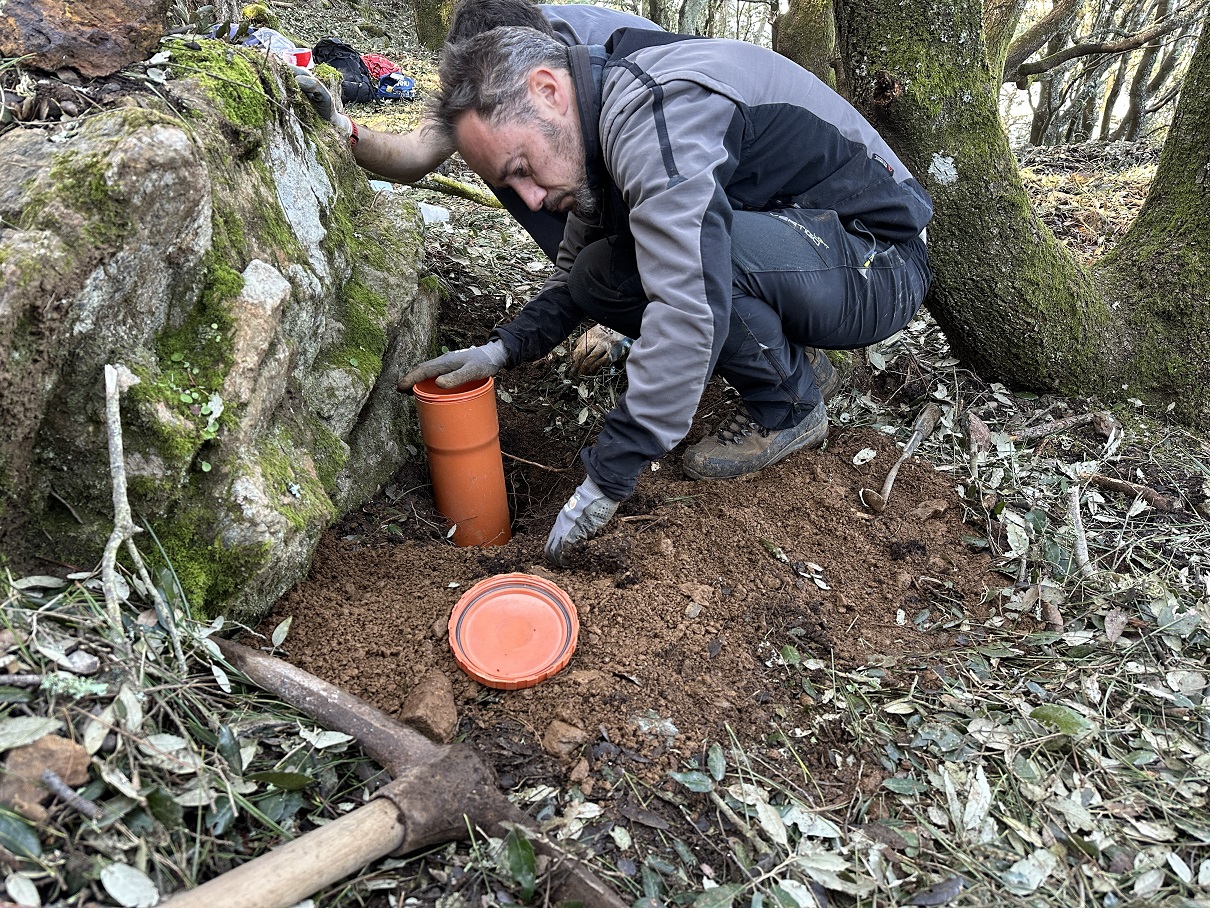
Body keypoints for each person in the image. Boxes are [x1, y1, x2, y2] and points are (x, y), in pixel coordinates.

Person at [399, 26, 934, 565]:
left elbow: (688, 305)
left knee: (704, 263)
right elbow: (572, 280)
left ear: (547, 90)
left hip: (881, 257)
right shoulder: (598, 122)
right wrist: (501, 350)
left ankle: (790, 407)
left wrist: (605, 480)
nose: (531, 198)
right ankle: (793, 365)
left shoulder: (654, 114)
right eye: (509, 186)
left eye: (520, 169)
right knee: (599, 273)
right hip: (810, 245)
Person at [292, 1, 660, 262]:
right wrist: (343, 127)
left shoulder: (610, 64)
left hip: (667, 167)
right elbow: (415, 154)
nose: (532, 200)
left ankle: (625, 277)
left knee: (538, 156)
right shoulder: (480, 85)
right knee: (503, 158)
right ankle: (589, 271)